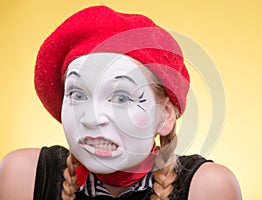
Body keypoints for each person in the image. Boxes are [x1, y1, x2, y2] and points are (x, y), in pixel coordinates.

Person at [0, 6, 241, 200]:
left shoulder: (207, 187)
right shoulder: (24, 176)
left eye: (122, 98)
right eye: (78, 94)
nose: (92, 118)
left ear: (166, 116)